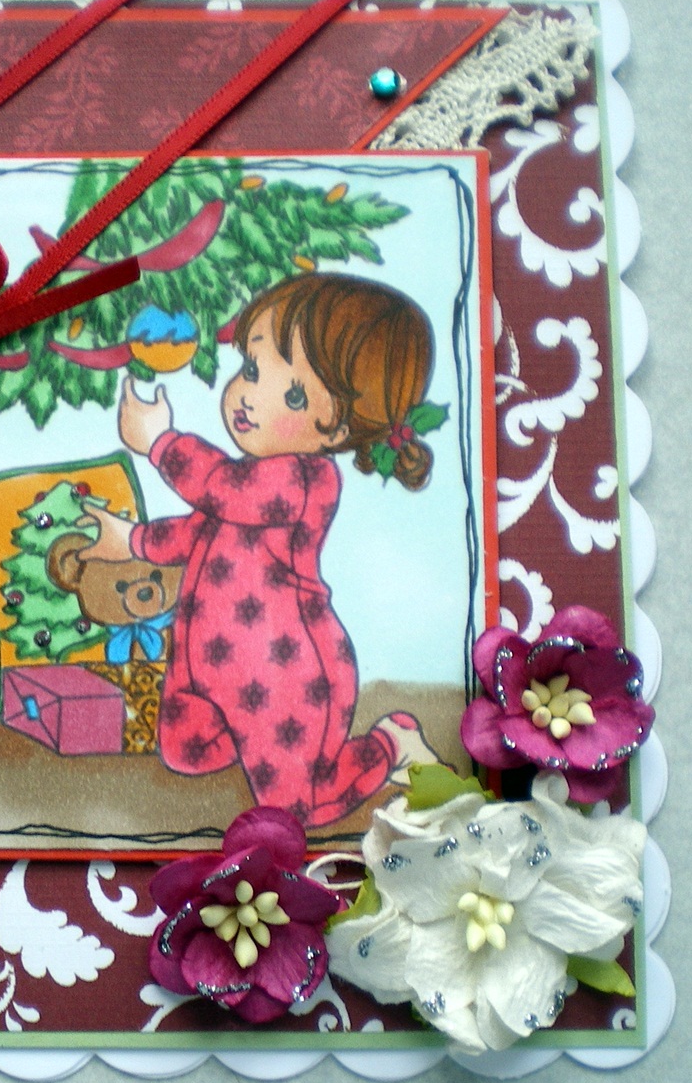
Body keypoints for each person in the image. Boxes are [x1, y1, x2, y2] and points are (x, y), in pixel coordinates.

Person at [83, 273, 440, 827]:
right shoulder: (246, 483)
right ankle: (245, 738)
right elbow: (194, 532)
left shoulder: (304, 480)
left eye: (294, 395)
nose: (250, 396)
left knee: (297, 808)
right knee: (184, 752)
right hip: (202, 661)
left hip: (285, 673)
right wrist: (128, 539)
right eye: (251, 370)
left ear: (340, 427)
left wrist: (161, 443)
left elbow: (220, 488)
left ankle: (391, 744)